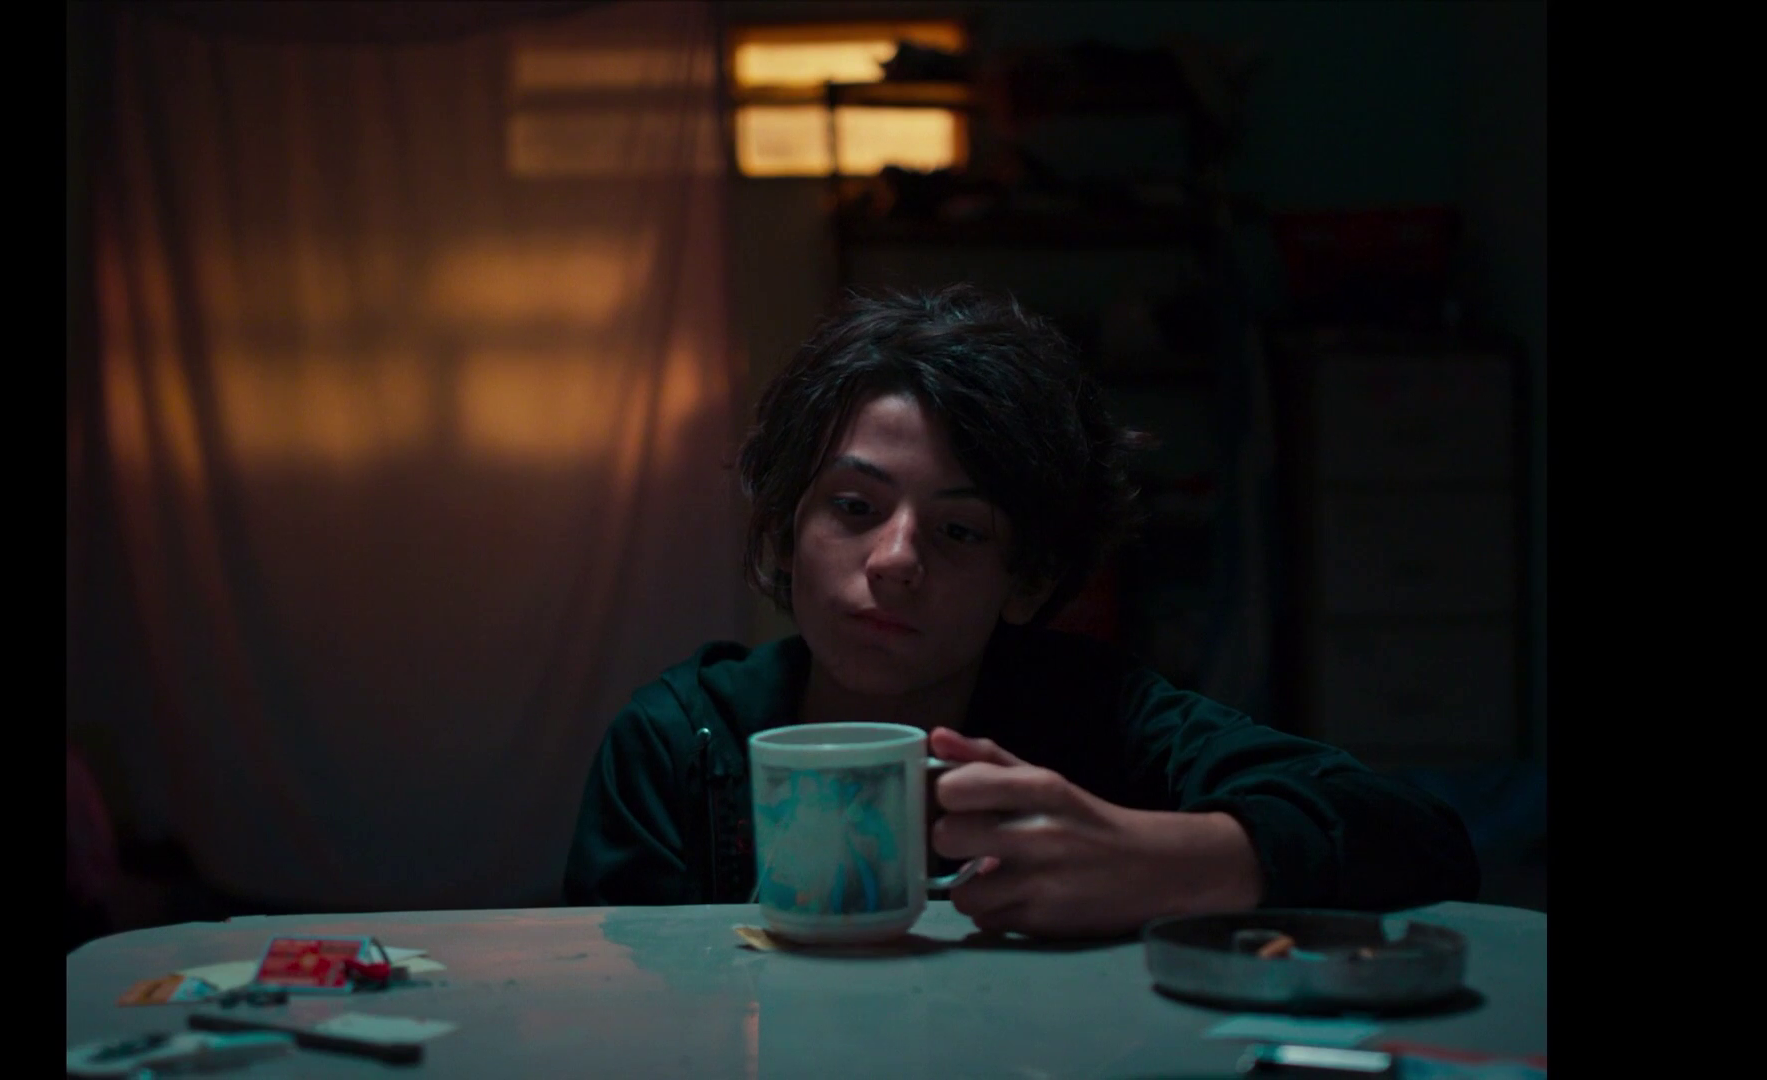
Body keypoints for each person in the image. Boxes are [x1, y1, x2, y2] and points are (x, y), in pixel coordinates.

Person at [563, 284, 1479, 938]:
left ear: (1029, 580)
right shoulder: (680, 743)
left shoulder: (1100, 719)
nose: (895, 561)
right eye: (853, 506)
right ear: (785, 528)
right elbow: (602, 1001)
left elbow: (1418, 838)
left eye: (961, 530)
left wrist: (1158, 858)